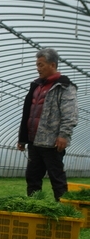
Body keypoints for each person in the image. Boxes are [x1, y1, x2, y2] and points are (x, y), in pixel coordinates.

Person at [17, 48, 78, 201]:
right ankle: (34, 206)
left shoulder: (64, 86)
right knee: (32, 178)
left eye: (41, 65)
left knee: (56, 178)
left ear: (52, 65)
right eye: (37, 65)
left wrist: (63, 135)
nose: (38, 68)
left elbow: (70, 114)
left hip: (51, 143)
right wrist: (22, 138)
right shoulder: (36, 86)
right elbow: (28, 113)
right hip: (34, 141)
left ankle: (64, 210)